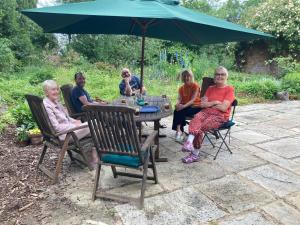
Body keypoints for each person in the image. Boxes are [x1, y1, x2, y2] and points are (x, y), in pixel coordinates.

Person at [181, 66, 235, 164]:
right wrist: (215, 102)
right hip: (205, 112)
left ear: (226, 76)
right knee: (196, 118)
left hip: (220, 117)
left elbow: (223, 108)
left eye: (222, 74)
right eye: (217, 74)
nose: (219, 76)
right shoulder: (210, 88)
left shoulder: (229, 89)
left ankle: (194, 154)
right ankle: (189, 143)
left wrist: (209, 104)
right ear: (214, 76)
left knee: (200, 127)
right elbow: (202, 104)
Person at [42, 80, 98, 166]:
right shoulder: (47, 106)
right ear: (46, 92)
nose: (56, 92)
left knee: (95, 125)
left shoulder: (54, 102)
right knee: (95, 126)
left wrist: (75, 121)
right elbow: (56, 127)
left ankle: (93, 152)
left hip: (68, 131)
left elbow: (66, 118)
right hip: (64, 135)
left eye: (57, 89)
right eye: (53, 90)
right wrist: (74, 125)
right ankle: (95, 154)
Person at [172, 69, 201, 142]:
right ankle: (180, 131)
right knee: (176, 110)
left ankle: (179, 131)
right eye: (184, 76)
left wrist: (183, 106)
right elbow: (179, 98)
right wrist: (178, 104)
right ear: (182, 77)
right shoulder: (181, 88)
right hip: (186, 106)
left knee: (181, 110)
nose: (186, 78)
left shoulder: (195, 85)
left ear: (191, 77)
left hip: (196, 106)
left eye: (188, 76)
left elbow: (193, 100)